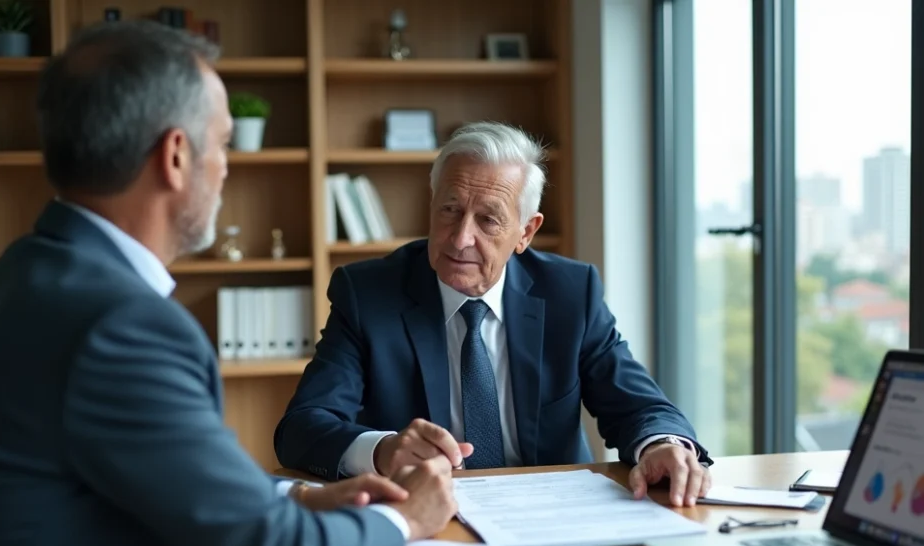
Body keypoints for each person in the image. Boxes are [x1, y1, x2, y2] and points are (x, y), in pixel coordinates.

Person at [0, 20, 457, 546]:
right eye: (224, 143)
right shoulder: (123, 327)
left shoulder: (28, 272)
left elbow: (150, 473)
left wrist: (295, 496)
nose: (228, 168)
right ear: (177, 156)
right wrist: (405, 520)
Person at [275, 121, 714, 507]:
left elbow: (637, 404)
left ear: (526, 231)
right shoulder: (369, 294)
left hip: (554, 515)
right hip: (425, 514)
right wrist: (383, 450)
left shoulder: (569, 293)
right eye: (449, 210)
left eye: (488, 220)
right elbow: (301, 429)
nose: (460, 237)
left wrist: (662, 444)